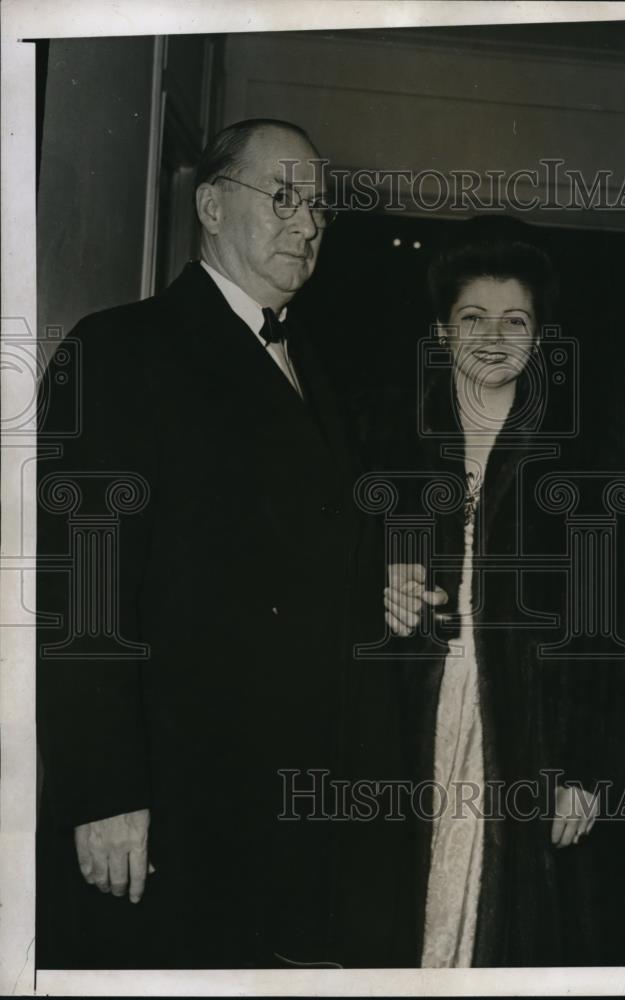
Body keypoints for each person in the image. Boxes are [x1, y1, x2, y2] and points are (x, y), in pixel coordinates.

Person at [36, 118, 410, 969]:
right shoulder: (120, 349)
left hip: (294, 784)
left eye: (319, 205)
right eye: (283, 197)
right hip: (180, 785)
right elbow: (82, 587)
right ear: (209, 205)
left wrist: (381, 574)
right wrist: (103, 791)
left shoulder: (315, 359)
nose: (309, 223)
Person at [383, 216, 625, 966]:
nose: (493, 337)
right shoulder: (393, 437)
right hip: (406, 718)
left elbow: (607, 627)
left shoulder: (588, 451)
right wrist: (380, 581)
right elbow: (337, 562)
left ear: (541, 337)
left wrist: (590, 771)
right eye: (473, 317)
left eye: (515, 319)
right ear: (441, 332)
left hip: (534, 728)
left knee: (512, 926)